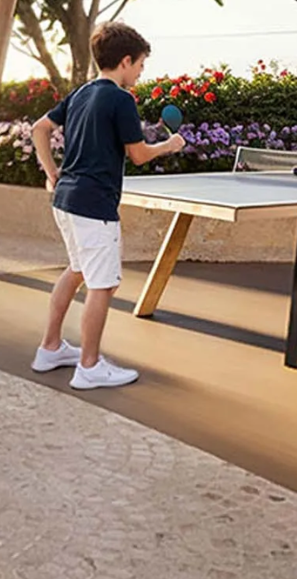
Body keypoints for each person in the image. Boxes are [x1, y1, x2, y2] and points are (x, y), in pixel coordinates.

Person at [29, 22, 186, 389]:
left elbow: (39, 128)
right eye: (141, 64)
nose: (141, 72)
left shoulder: (82, 93)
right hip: (93, 206)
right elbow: (138, 154)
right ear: (126, 60)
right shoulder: (120, 99)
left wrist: (53, 173)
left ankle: (50, 348)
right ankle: (89, 366)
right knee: (103, 285)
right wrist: (170, 145)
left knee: (77, 270)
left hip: (65, 199)